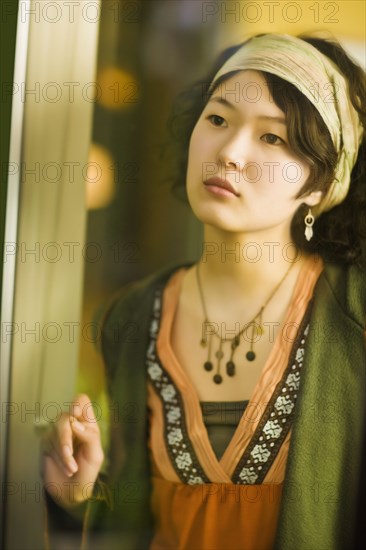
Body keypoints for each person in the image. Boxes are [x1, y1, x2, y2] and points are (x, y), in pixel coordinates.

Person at [42, 32, 366, 550]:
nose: (230, 152)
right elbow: (130, 522)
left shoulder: (353, 317)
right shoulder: (131, 316)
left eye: (273, 138)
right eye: (217, 119)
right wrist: (77, 494)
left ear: (319, 186)